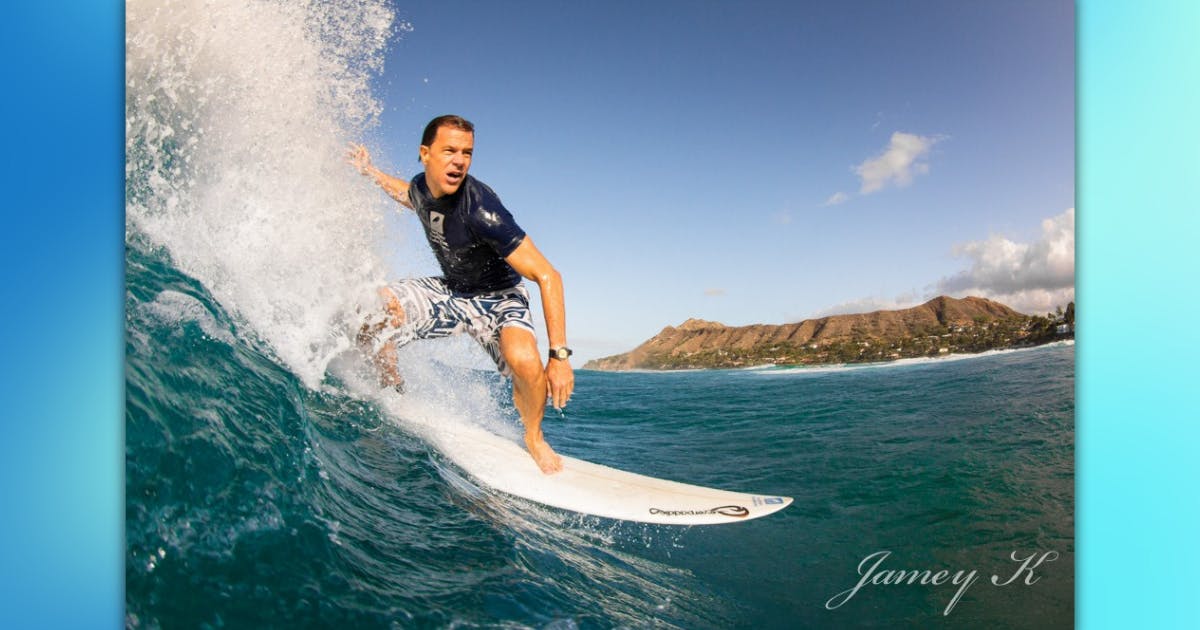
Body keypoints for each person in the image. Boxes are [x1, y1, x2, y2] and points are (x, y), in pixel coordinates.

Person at [347, 115, 572, 475]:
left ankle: (534, 436)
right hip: (452, 291)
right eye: (449, 150)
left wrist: (559, 356)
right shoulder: (422, 187)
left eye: (467, 152)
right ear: (426, 154)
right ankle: (392, 389)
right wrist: (370, 172)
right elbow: (408, 195)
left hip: (499, 298)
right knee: (374, 308)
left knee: (526, 364)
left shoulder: (482, 211)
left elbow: (548, 275)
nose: (459, 160)